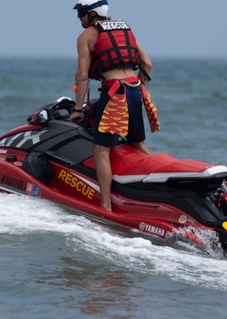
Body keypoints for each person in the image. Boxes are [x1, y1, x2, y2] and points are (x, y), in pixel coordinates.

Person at [69, 0, 160, 212]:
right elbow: (147, 64)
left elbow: (82, 75)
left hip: (114, 93)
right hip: (134, 89)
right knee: (137, 143)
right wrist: (139, 86)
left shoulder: (86, 37)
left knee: (101, 150)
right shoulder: (125, 28)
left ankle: (106, 206)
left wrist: (78, 109)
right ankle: (162, 178)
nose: (78, 18)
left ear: (91, 15)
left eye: (81, 13)